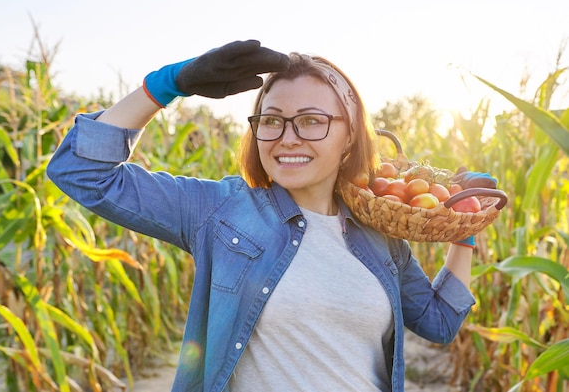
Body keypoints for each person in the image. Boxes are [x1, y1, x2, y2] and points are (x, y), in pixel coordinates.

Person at [47, 40, 485, 392]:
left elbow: (439, 321)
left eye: (312, 121)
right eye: (272, 120)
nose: (287, 138)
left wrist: (464, 227)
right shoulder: (222, 212)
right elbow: (81, 171)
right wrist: (167, 85)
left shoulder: (379, 235)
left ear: (350, 136)